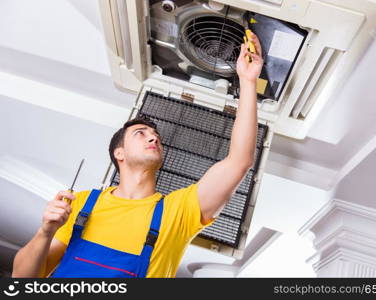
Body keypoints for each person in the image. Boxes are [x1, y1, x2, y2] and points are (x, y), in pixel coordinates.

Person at [11, 33, 264, 278]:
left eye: (155, 136)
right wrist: (45, 231)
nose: (154, 137)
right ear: (118, 153)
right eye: (141, 133)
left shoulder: (178, 212)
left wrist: (248, 81)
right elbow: (23, 277)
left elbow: (239, 162)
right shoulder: (79, 203)